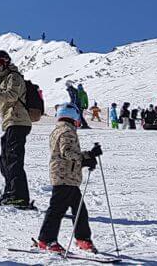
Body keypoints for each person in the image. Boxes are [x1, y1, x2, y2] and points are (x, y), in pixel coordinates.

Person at [34, 104, 101, 255]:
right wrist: (88, 155)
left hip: (66, 176)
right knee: (57, 210)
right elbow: (67, 152)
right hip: (64, 177)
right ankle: (46, 239)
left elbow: (64, 155)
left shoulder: (59, 129)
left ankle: (82, 238)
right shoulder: (67, 131)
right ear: (74, 116)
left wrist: (86, 159)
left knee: (79, 210)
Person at [0, 49, 35, 209]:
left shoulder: (14, 77)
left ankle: (20, 197)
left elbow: (12, 95)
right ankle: (10, 193)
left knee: (14, 159)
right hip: (9, 123)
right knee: (5, 160)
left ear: (6, 62)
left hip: (19, 121)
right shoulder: (3, 80)